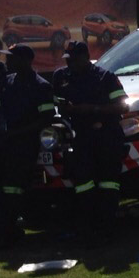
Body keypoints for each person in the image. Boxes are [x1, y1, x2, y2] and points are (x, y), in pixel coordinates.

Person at [52, 41, 129, 234]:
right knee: (83, 184)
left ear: (85, 57)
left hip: (106, 136)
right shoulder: (62, 77)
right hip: (79, 137)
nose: (69, 63)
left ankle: (108, 228)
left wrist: (92, 109)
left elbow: (123, 106)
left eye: (74, 59)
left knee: (108, 184)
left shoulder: (104, 77)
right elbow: (53, 103)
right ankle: (88, 227)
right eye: (67, 59)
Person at [0, 45, 55, 244]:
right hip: (5, 143)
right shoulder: (7, 82)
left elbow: (45, 118)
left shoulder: (40, 86)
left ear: (25, 60)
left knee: (13, 188)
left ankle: (7, 231)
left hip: (24, 145)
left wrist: (16, 133)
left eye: (11, 58)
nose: (7, 62)